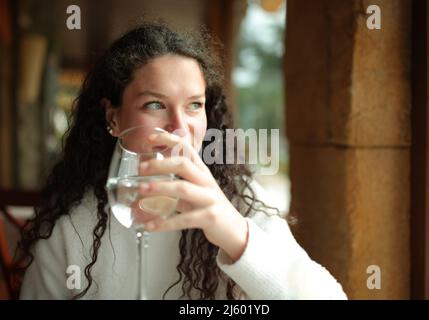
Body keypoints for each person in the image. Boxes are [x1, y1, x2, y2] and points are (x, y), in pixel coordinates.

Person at [17, 23, 347, 300]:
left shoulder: (237, 200)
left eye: (194, 105)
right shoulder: (73, 226)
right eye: (155, 105)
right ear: (112, 116)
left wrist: (235, 233)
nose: (179, 127)